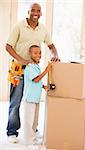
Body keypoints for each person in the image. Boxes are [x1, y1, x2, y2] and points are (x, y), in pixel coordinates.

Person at [5, 2, 59, 143]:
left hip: (34, 70)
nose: (35, 12)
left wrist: (55, 54)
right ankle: (12, 132)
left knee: (33, 101)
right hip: (18, 68)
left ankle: (33, 130)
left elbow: (51, 45)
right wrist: (22, 60)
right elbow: (8, 46)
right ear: (28, 12)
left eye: (38, 10)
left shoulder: (43, 29)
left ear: (41, 13)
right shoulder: (19, 26)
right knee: (15, 101)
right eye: (32, 10)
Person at [22, 45, 52, 145]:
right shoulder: (30, 66)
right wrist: (46, 71)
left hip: (35, 98)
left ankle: (33, 138)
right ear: (30, 54)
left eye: (39, 53)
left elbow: (36, 81)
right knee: (29, 121)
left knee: (35, 121)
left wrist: (43, 86)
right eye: (35, 53)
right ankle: (29, 142)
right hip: (29, 98)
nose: (38, 55)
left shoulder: (36, 66)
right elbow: (35, 79)